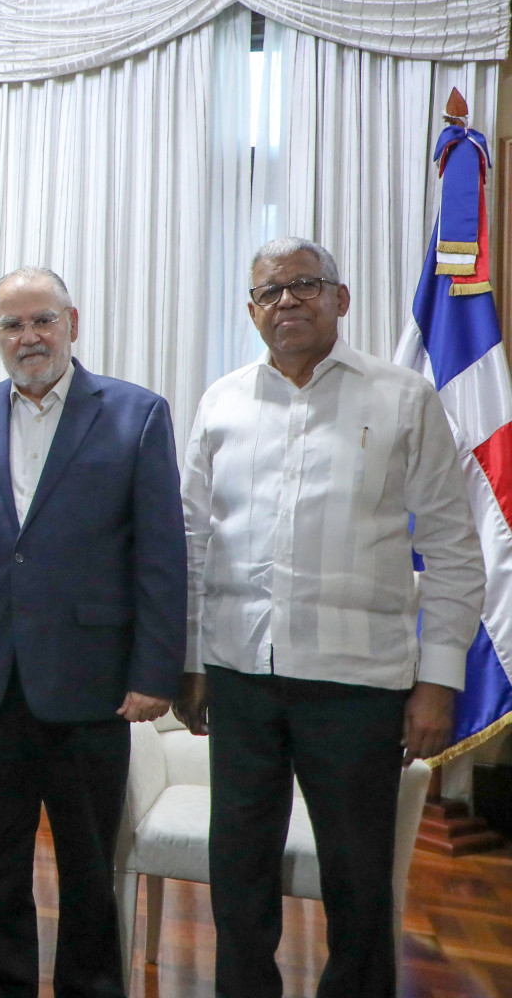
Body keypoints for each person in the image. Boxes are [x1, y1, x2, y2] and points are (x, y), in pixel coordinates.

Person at [176, 236, 485, 998]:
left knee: (357, 882)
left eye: (305, 285)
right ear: (252, 312)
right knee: (238, 876)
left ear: (340, 299)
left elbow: (453, 547)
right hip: (241, 677)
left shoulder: (402, 399)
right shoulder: (221, 402)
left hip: (358, 687)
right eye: (270, 291)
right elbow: (191, 541)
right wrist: (188, 661)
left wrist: (438, 682)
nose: (287, 300)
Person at [0, 266, 185, 998]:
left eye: (42, 320)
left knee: (89, 872)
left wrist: (155, 671)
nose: (29, 337)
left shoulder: (137, 415)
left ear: (72, 323)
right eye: (13, 324)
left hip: (90, 685)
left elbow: (161, 556)